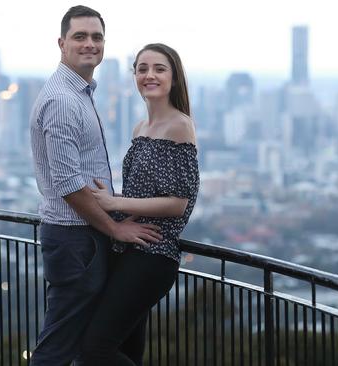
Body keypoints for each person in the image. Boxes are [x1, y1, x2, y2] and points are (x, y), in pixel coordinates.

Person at [29, 6, 162, 366]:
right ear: (61, 43)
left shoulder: (78, 93)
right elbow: (68, 183)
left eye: (97, 37)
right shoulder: (62, 100)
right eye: (80, 36)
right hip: (77, 239)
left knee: (81, 343)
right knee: (59, 346)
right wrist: (114, 228)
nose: (90, 44)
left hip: (82, 238)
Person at [78, 43, 200, 365]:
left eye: (159, 69)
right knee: (127, 350)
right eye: (142, 68)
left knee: (95, 349)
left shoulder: (179, 126)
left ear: (174, 78)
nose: (149, 75)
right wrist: (111, 201)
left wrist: (114, 201)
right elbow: (144, 194)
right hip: (128, 249)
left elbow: (178, 203)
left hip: (153, 255)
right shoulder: (140, 128)